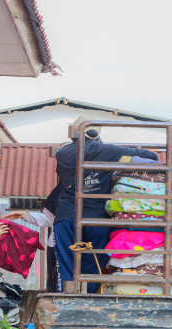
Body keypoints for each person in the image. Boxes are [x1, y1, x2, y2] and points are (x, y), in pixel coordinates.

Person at [54, 116, 158, 294]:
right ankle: (91, 298)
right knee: (94, 264)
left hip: (67, 215)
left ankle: (65, 297)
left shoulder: (62, 154)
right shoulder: (110, 151)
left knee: (66, 264)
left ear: (74, 133)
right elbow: (152, 156)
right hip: (96, 218)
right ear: (96, 133)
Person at [1, 185, 60, 291]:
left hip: (86, 246)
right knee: (55, 284)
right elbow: (49, 218)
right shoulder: (63, 188)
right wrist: (26, 215)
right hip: (57, 246)